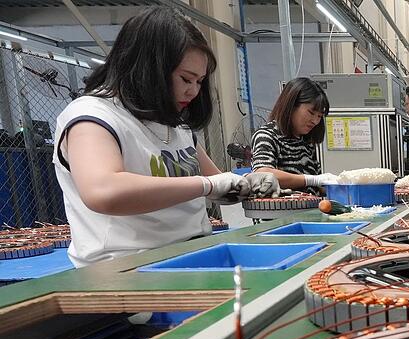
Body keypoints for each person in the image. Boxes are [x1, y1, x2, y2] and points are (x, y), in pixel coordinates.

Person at [53, 7, 278, 267]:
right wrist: (207, 184)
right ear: (148, 68)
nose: (193, 91)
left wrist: (247, 183)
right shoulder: (93, 117)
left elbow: (218, 186)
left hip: (193, 255)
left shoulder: (174, 124)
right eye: (186, 79)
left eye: (199, 81)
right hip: (129, 269)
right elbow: (103, 191)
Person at [252, 77, 337, 191]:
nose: (315, 121)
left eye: (319, 116)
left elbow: (317, 187)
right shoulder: (267, 136)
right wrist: (311, 180)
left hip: (310, 202)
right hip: (282, 203)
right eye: (311, 112)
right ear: (291, 105)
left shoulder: (307, 143)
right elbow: (262, 175)